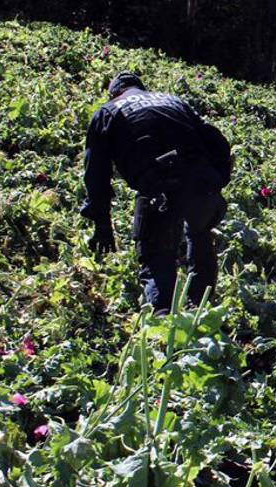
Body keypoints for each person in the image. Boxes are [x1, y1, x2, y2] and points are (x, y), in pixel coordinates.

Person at [81, 72, 232, 315]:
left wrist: (102, 224)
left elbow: (95, 174)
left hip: (159, 186)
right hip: (202, 182)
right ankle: (199, 312)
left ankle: (163, 326)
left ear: (114, 93)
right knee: (200, 234)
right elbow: (216, 140)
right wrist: (215, 182)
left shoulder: (108, 112)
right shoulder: (173, 100)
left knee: (157, 258)